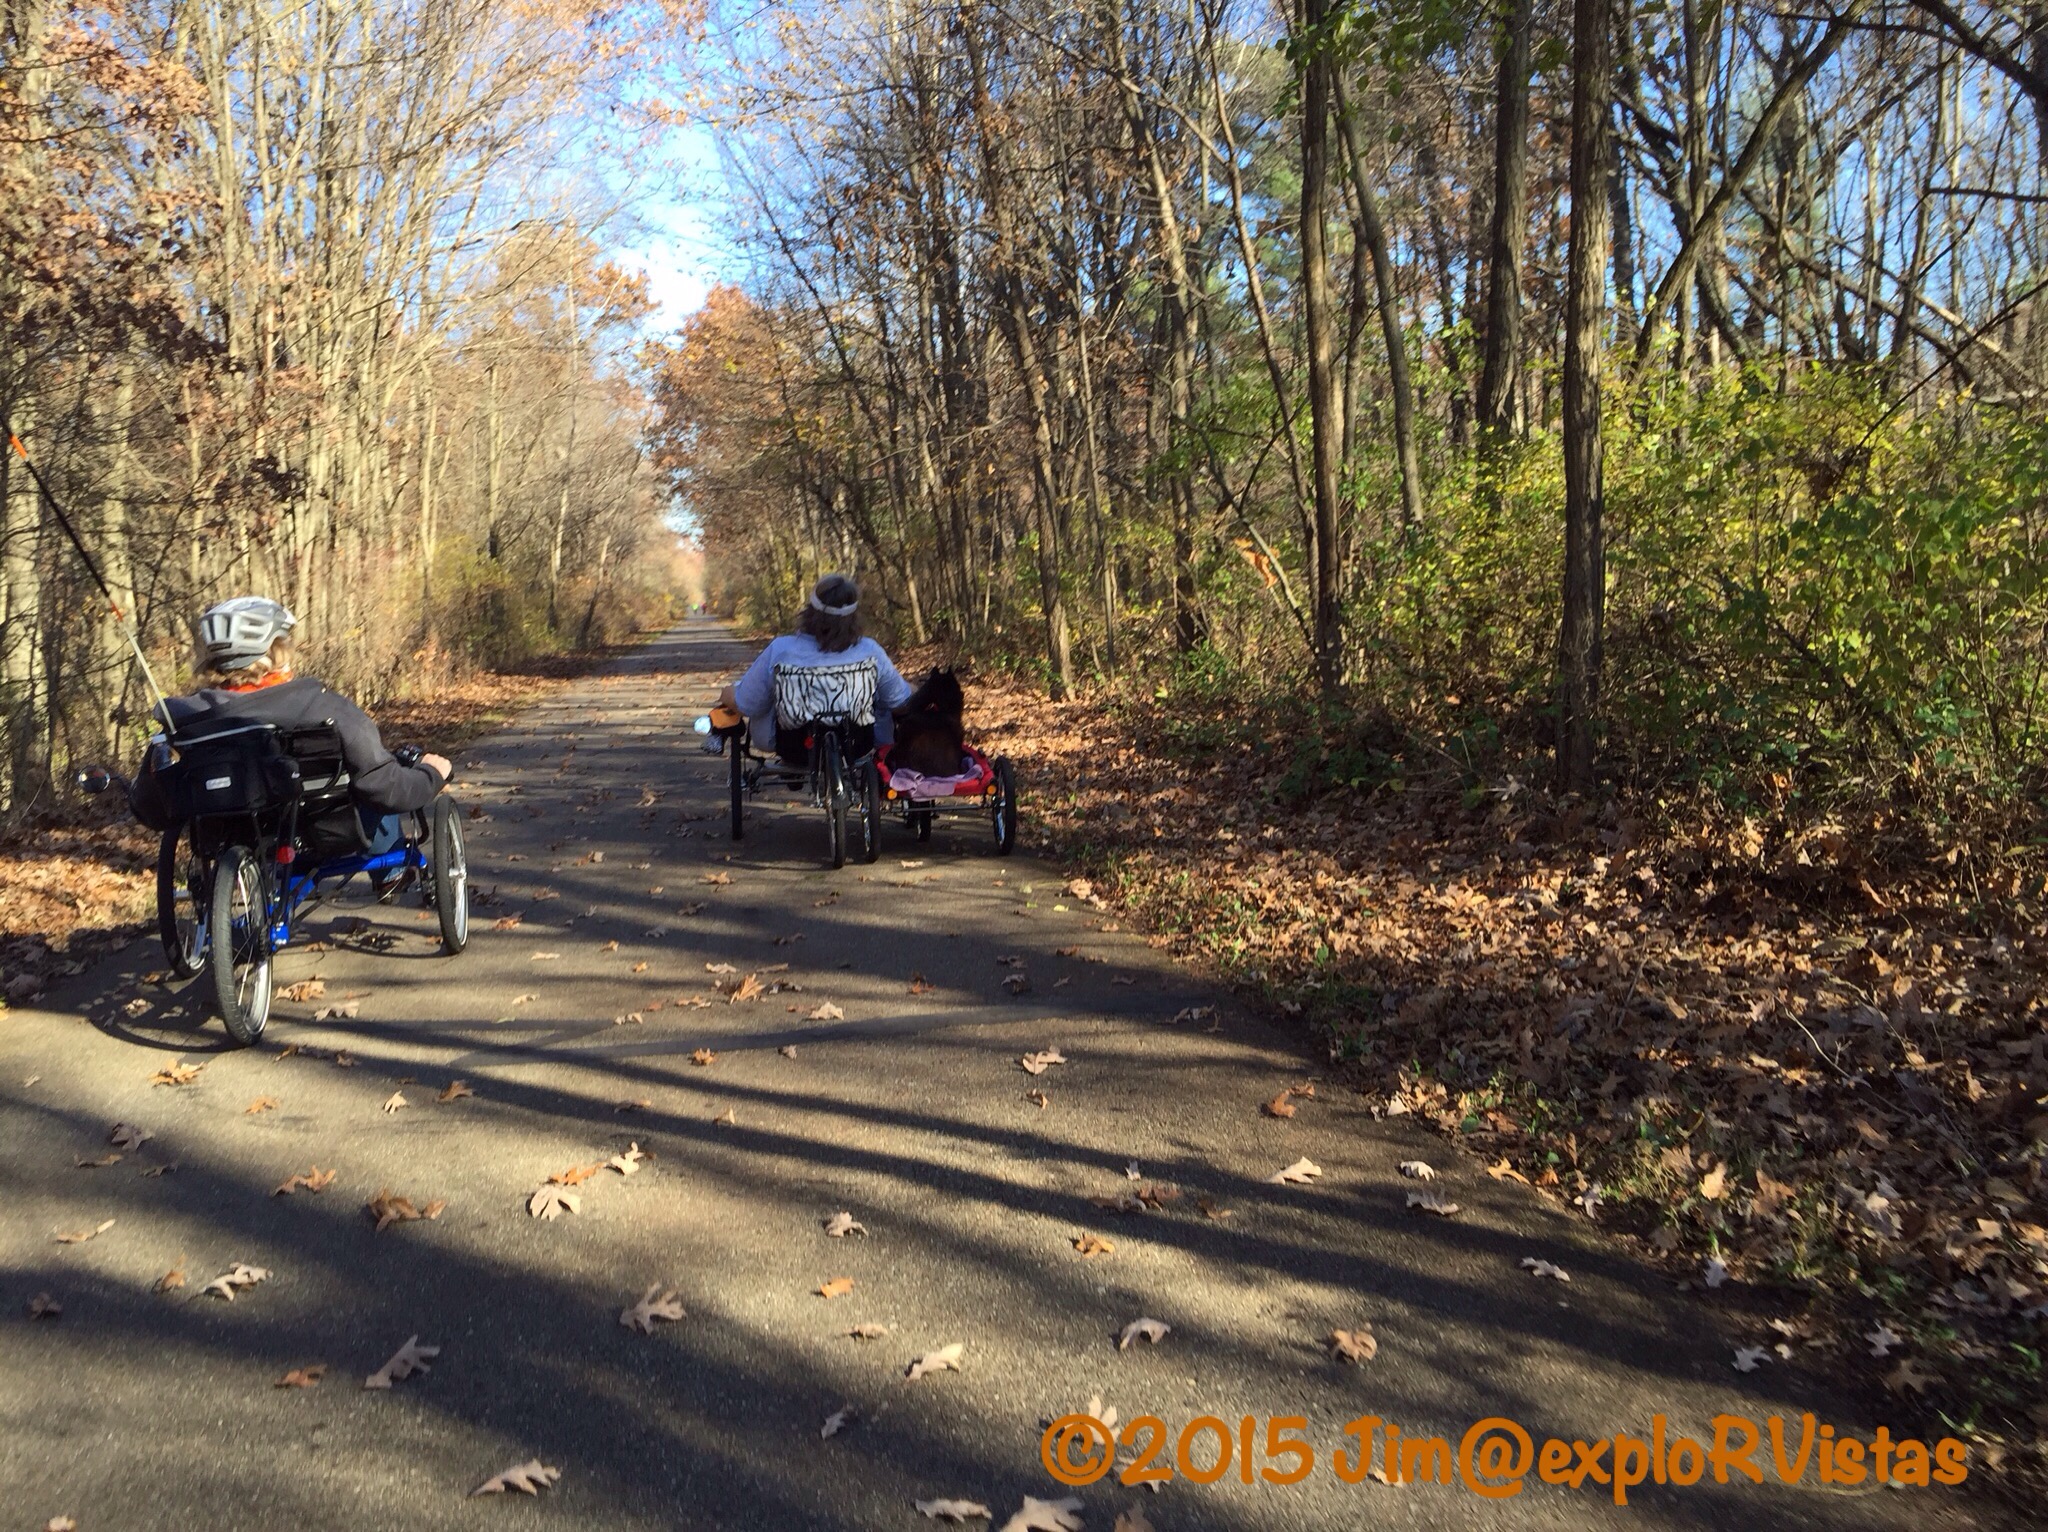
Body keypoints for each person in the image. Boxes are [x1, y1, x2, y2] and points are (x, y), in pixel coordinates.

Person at [148, 596, 451, 856]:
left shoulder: (182, 721)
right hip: (325, 834)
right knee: (371, 781)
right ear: (276, 650)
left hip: (229, 838)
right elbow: (386, 788)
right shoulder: (323, 706)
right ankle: (389, 875)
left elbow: (149, 806)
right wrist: (431, 774)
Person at [717, 573, 912, 762]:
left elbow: (749, 705)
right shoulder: (869, 651)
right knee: (882, 698)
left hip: (793, 748)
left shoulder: (781, 649)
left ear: (810, 611)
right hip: (857, 745)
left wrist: (728, 694)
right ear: (854, 616)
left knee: (764, 696)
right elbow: (900, 702)